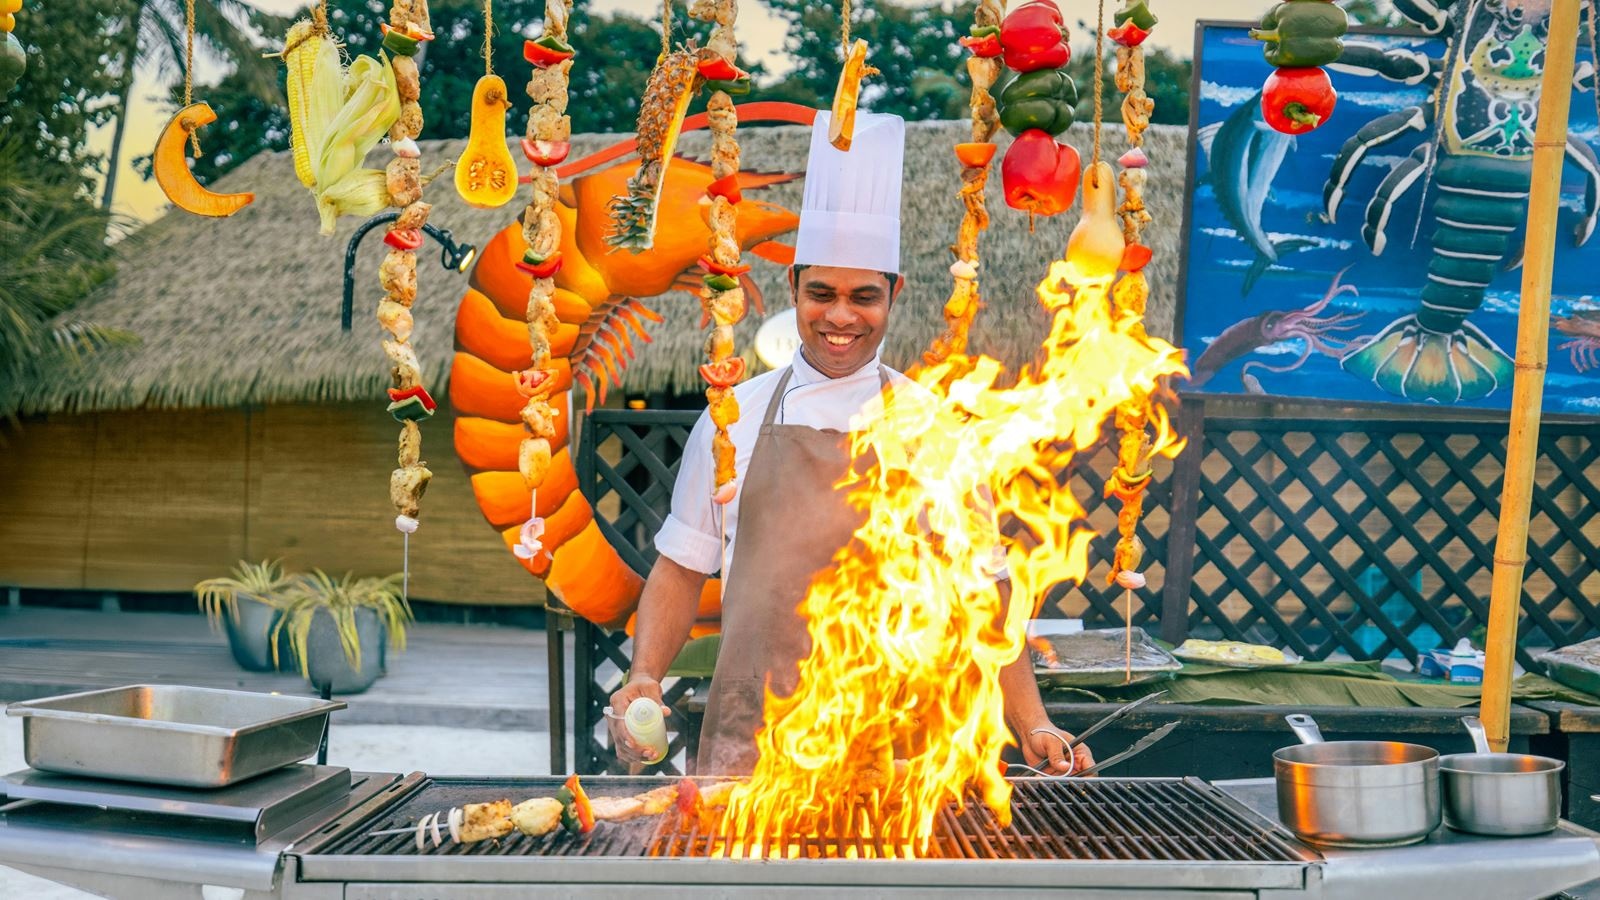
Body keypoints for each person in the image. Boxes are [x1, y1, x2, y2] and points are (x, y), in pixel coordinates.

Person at [608, 111, 1094, 777]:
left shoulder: (933, 426)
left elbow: (988, 595)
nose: (840, 316)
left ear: (893, 295)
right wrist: (643, 676)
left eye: (864, 296)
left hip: (901, 755)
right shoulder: (735, 418)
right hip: (755, 748)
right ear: (794, 291)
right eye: (822, 294)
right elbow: (682, 567)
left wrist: (1031, 721)